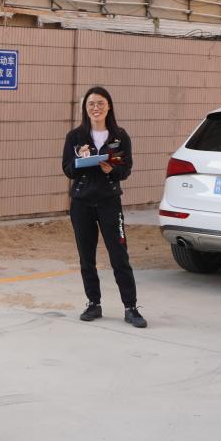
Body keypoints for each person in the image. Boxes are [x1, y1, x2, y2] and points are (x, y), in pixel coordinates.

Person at [62, 86, 147, 329]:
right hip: (82, 203)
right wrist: (81, 160)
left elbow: (126, 169)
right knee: (86, 257)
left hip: (109, 202)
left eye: (100, 103)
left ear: (108, 106)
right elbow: (67, 169)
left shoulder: (119, 136)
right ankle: (93, 303)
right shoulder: (76, 137)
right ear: (85, 108)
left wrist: (112, 169)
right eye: (91, 104)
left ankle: (130, 307)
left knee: (119, 255)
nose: (96, 108)